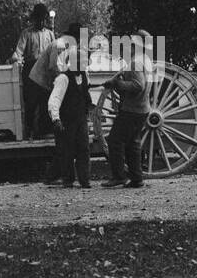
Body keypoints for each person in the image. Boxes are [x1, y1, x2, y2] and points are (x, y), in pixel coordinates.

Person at [101, 30, 153, 188]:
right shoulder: (144, 60)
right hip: (142, 109)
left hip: (132, 109)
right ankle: (137, 178)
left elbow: (138, 85)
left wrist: (118, 84)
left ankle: (119, 176)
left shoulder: (135, 62)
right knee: (133, 143)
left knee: (115, 140)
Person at [47, 49, 93, 189]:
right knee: (67, 150)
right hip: (66, 120)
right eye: (82, 63)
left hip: (80, 118)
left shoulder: (85, 75)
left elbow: (86, 94)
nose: (85, 66)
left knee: (84, 149)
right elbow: (54, 100)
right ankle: (67, 180)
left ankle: (85, 180)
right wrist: (56, 119)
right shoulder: (63, 78)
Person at [11, 3, 54, 139]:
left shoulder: (50, 34)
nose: (41, 22)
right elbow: (18, 53)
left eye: (43, 19)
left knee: (46, 100)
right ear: (34, 19)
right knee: (31, 101)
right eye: (38, 19)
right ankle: (29, 130)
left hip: (46, 70)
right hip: (31, 69)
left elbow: (55, 53)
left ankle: (44, 131)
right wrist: (17, 65)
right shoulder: (27, 34)